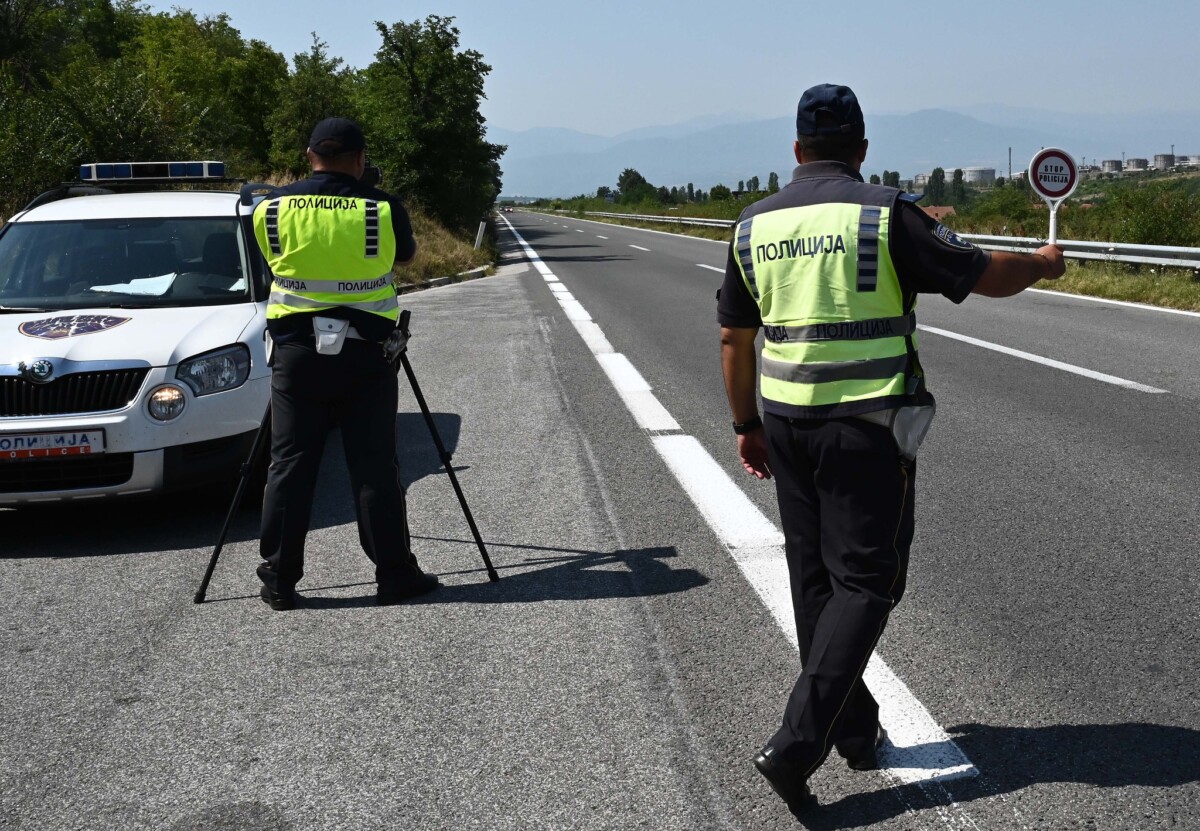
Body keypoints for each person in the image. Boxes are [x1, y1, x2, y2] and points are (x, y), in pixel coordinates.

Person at [717, 84, 1065, 811]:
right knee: (868, 582)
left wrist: (746, 424)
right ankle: (797, 742)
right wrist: (1040, 262)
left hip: (786, 421)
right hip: (866, 424)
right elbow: (983, 274)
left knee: (816, 579)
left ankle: (853, 729)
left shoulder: (752, 225)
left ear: (796, 149)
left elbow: (733, 337)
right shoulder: (883, 212)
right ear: (863, 147)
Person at [251, 116, 439, 611]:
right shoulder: (382, 208)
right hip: (367, 353)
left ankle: (279, 580)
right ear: (359, 159)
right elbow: (405, 258)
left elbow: (270, 264)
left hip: (295, 354)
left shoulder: (270, 207)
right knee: (374, 464)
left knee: (289, 465)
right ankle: (394, 574)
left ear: (310, 156)